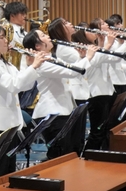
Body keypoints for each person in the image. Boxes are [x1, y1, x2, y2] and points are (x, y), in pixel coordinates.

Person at [0, 24, 40, 173]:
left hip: (11, 123)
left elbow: (25, 86)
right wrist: (34, 66)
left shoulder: (7, 64)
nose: (6, 41)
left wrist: (30, 65)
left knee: (9, 170)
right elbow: (14, 85)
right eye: (2, 37)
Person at [22, 30, 89, 158]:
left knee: (70, 151)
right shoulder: (43, 64)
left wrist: (82, 57)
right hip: (52, 113)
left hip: (62, 109)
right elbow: (72, 72)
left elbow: (72, 69)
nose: (48, 36)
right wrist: (89, 57)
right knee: (59, 154)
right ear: (37, 46)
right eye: (43, 36)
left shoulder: (51, 58)